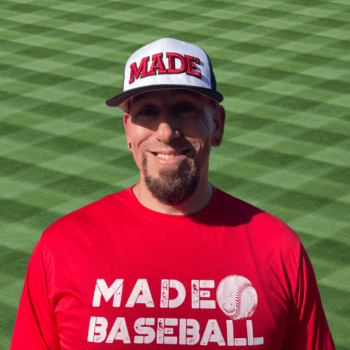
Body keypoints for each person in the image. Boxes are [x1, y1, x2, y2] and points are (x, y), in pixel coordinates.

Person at [11, 38, 335, 349]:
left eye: (185, 108)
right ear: (128, 130)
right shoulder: (62, 247)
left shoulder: (278, 251)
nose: (166, 131)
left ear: (218, 125)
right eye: (148, 111)